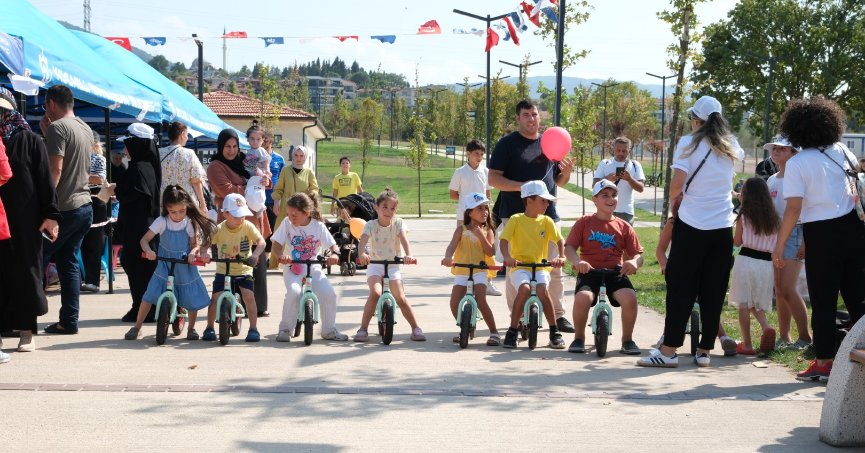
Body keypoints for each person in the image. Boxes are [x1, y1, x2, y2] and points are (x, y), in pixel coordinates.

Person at [637, 95, 744, 368]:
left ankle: (669, 350)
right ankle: (704, 350)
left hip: (692, 224)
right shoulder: (732, 145)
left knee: (680, 288)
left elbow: (677, 184)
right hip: (722, 226)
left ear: (697, 120)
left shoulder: (688, 143)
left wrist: (678, 199)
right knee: (714, 290)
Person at [773, 97, 865, 381]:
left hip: (821, 234)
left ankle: (824, 361)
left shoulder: (799, 162)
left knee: (824, 301)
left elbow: (793, 209)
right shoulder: (842, 150)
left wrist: (780, 244)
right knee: (858, 297)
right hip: (855, 229)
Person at [488, 99, 575, 333]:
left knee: (553, 267)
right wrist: (524, 188)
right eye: (526, 115)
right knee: (515, 268)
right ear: (518, 118)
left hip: (548, 215)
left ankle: (558, 315)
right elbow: (493, 179)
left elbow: (557, 182)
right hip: (515, 216)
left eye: (534, 114)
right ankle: (518, 318)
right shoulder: (507, 144)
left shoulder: (549, 143)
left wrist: (566, 173)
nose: (531, 119)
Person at [1, 87, 60, 355]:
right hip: (0, 220)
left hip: (25, 221)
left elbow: (45, 181)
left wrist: (51, 215)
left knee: (26, 272)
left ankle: (26, 331)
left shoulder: (30, 140)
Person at [564, 180, 644, 355]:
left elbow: (638, 254)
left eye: (614, 195)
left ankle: (627, 340)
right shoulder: (584, 222)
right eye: (605, 195)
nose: (610, 199)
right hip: (589, 271)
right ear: (595, 199)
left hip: (615, 272)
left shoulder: (624, 226)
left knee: (630, 298)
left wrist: (634, 262)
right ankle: (579, 338)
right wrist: (577, 262)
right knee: (583, 298)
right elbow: (569, 247)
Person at [124, 186, 214, 340]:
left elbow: (195, 245)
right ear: (166, 208)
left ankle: (191, 328)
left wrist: (193, 252)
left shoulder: (189, 222)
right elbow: (144, 240)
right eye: (173, 212)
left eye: (182, 211)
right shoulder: (162, 221)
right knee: (149, 295)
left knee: (191, 296)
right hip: (164, 265)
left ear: (187, 207)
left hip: (184, 265)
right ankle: (137, 326)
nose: (178, 215)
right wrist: (149, 251)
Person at [39, 85, 95, 335]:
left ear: (52, 103)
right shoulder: (84, 128)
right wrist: (47, 134)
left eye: (45, 105)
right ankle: (69, 320)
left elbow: (57, 170)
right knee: (68, 263)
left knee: (36, 258)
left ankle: (25, 317)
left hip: (64, 208)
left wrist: (47, 206)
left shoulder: (58, 128)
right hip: (84, 206)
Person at [654, 193, 738, 357]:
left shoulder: (708, 225)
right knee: (678, 304)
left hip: (703, 270)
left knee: (709, 303)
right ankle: (667, 337)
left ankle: (722, 337)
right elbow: (660, 250)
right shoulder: (672, 223)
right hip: (680, 269)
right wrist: (665, 264)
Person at [207, 128, 272, 317]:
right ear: (221, 146)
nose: (232, 150)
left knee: (256, 265)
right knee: (232, 266)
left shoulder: (245, 159)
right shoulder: (215, 166)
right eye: (227, 146)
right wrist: (251, 185)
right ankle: (230, 308)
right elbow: (226, 191)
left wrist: (263, 180)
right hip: (231, 224)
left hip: (254, 221)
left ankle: (258, 307)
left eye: (235, 146)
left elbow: (265, 180)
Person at [499, 181, 566, 349]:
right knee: (524, 289)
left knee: (543, 290)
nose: (547, 204)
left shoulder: (547, 221)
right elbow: (504, 240)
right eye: (543, 200)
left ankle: (554, 331)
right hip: (520, 267)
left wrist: (561, 256)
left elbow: (559, 240)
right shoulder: (516, 220)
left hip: (540, 266)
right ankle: (512, 330)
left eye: (547, 201)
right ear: (529, 201)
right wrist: (508, 257)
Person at [271, 192, 346, 342]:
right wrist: (281, 256)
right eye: (289, 214)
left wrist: (335, 255)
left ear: (306, 213)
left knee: (328, 293)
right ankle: (285, 329)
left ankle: (329, 330)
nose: (291, 218)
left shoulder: (318, 226)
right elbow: (276, 243)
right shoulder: (287, 223)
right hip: (292, 267)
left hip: (313, 267)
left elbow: (333, 246)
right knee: (294, 292)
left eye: (294, 215)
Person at [354, 189, 425, 342]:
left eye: (392, 208)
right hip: (375, 265)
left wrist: (409, 255)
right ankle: (363, 328)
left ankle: (415, 328)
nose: (388, 211)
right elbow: (363, 241)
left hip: (393, 265)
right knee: (375, 293)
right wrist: (362, 254)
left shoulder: (398, 223)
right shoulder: (370, 225)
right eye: (384, 207)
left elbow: (404, 239)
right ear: (376, 207)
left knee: (400, 297)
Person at [764, 136, 812, 350]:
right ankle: (785, 337)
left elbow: (804, 211)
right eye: (774, 148)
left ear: (794, 153)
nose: (776, 151)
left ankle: (805, 338)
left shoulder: (800, 177)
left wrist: (804, 241)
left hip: (795, 233)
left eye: (782, 149)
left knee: (788, 287)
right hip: (775, 235)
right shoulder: (772, 179)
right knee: (779, 288)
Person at [200, 193, 266, 342]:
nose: (240, 219)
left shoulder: (247, 226)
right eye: (236, 216)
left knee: (248, 295)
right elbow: (205, 244)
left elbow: (261, 242)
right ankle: (209, 327)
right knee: (215, 298)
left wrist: (255, 255)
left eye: (243, 215)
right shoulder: (218, 229)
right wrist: (204, 253)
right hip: (223, 270)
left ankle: (253, 328)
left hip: (243, 269)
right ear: (225, 214)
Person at [115, 123, 162, 323]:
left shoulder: (139, 168)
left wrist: (116, 190)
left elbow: (133, 194)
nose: (125, 149)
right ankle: (144, 307)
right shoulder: (146, 166)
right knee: (139, 267)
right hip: (142, 226)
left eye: (127, 144)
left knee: (138, 268)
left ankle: (143, 309)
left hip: (138, 228)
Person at [441, 192, 501, 346]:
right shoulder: (461, 230)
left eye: (485, 208)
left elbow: (491, 252)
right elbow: (451, 246)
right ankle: (465, 327)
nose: (484, 211)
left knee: (481, 300)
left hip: (480, 271)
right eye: (479, 208)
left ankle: (494, 332)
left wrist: (481, 236)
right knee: (454, 302)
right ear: (469, 212)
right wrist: (448, 257)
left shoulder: (488, 231)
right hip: (462, 270)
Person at [729, 177, 780, 355]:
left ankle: (747, 344)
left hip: (746, 260)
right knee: (755, 302)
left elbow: (737, 242)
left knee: (743, 304)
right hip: (766, 264)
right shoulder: (775, 219)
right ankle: (766, 327)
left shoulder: (744, 216)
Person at [448, 139, 502, 297]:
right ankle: (464, 279)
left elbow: (488, 193)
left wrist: (484, 209)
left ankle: (488, 281)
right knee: (464, 246)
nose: (479, 157)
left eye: (481, 154)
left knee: (486, 246)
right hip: (464, 216)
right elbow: (453, 194)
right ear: (468, 154)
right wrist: (468, 205)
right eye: (476, 153)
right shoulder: (460, 172)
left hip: (483, 217)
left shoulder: (485, 171)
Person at [270, 145, 318, 270]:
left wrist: (310, 197)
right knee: (279, 233)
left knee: (300, 234)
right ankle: (275, 263)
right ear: (292, 156)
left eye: (301, 156)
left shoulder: (309, 172)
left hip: (302, 209)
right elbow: (279, 189)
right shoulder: (285, 170)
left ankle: (301, 261)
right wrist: (276, 202)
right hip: (285, 208)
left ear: (305, 157)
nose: (298, 158)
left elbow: (314, 188)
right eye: (296, 155)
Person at [592, 136, 646, 224]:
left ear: (629, 150)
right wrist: (607, 179)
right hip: (606, 210)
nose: (621, 153)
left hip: (626, 212)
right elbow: (594, 185)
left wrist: (629, 179)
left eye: (624, 151)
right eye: (618, 150)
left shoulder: (635, 165)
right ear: (613, 149)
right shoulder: (605, 163)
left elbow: (641, 188)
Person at [80, 130, 108, 293]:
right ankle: (84, 279)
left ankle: (92, 280)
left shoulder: (99, 158)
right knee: (82, 243)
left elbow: (100, 178)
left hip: (96, 202)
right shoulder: (79, 157)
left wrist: (80, 175)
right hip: (83, 200)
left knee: (94, 243)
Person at [158, 121, 207, 213]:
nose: (187, 138)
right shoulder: (189, 154)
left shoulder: (159, 153)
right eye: (187, 134)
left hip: (164, 201)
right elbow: (196, 181)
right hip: (185, 201)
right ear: (182, 134)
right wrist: (203, 203)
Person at [263, 130, 285, 268]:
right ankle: (259, 257)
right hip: (257, 200)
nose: (262, 142)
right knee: (258, 230)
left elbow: (282, 180)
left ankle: (268, 258)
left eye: (265, 140)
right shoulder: (254, 157)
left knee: (272, 230)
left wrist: (279, 199)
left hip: (273, 200)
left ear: (271, 141)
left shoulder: (279, 159)